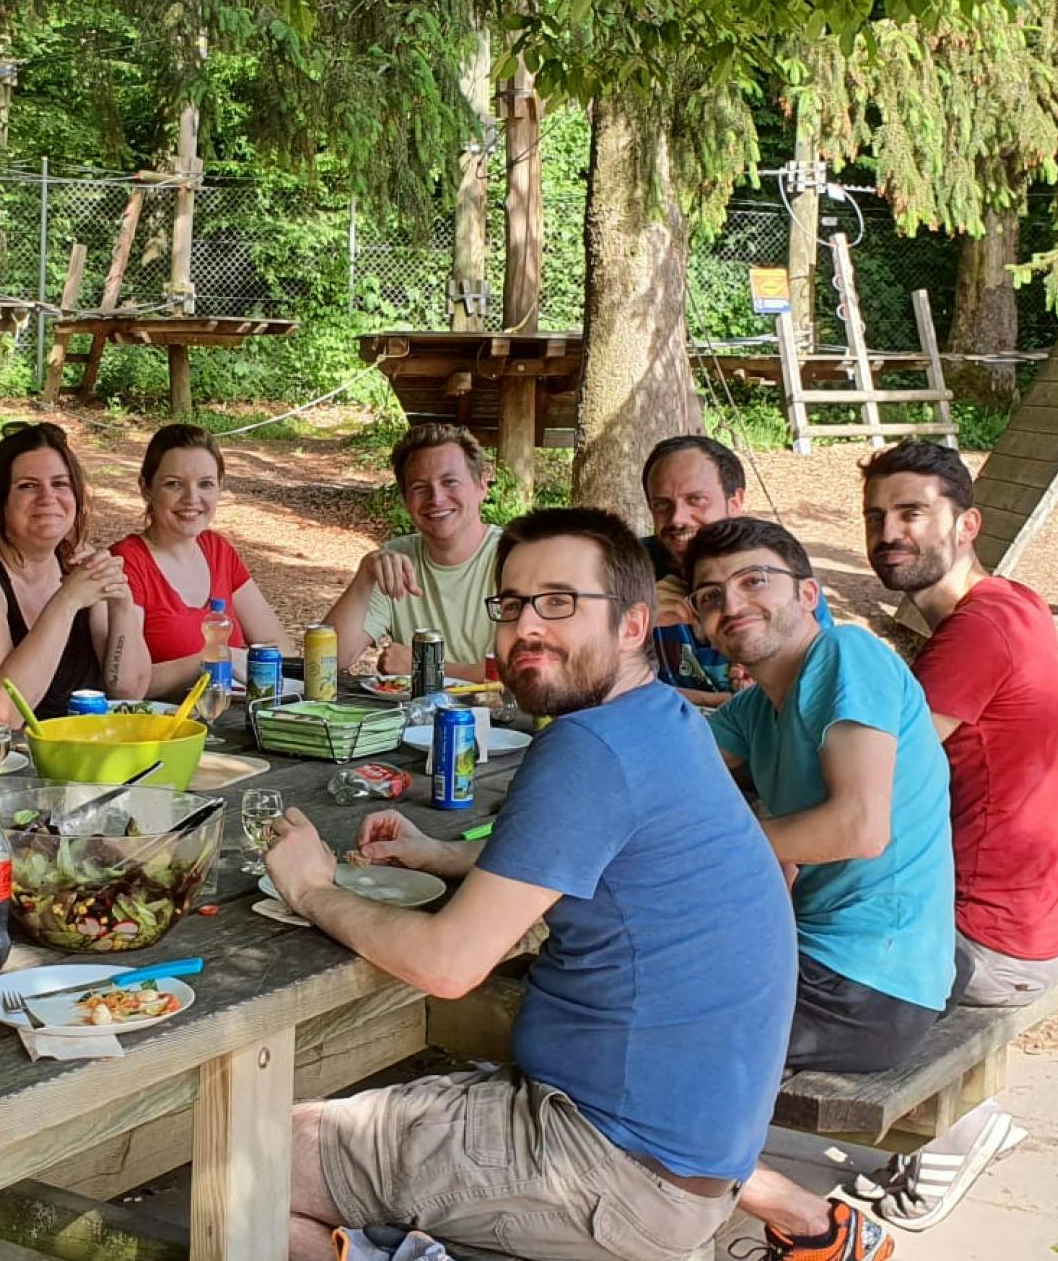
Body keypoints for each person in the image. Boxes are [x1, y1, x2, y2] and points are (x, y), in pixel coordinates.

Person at [268, 507, 795, 1261]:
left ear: (631, 625)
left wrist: (313, 887)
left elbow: (447, 965)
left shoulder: (587, 746)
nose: (525, 627)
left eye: (558, 602)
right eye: (509, 605)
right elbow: (608, 862)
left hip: (605, 1170)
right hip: (684, 1163)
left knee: (249, 1157)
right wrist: (443, 858)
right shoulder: (659, 718)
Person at [688, 516, 955, 1258]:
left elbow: (856, 827)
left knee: (624, 1052)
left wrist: (720, 848)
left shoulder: (846, 655)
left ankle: (814, 1225)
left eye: (752, 581)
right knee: (605, 1001)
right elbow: (660, 781)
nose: (730, 602)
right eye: (709, 594)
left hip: (866, 982)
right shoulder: (756, 707)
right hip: (831, 961)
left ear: (808, 593)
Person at [855, 443, 1058, 1229]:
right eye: (876, 517)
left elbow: (870, 788)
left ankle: (955, 1126)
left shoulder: (972, 635)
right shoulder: (1011, 601)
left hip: (988, 941)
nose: (889, 532)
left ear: (966, 524)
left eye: (911, 513)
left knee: (753, 939)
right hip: (1039, 919)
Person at [0, 421, 147, 723]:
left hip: (80, 754)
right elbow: (4, 712)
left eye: (60, 484)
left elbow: (128, 690)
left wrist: (121, 604)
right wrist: (67, 601)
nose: (48, 497)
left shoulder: (76, 563)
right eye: (28, 486)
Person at [637, 434, 831, 706]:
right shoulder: (630, 570)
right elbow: (600, 687)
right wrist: (638, 618)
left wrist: (719, 703)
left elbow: (817, 690)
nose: (677, 519)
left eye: (696, 500)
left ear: (735, 501)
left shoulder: (776, 571)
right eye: (662, 505)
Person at [109, 423, 288, 698]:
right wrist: (213, 659)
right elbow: (126, 683)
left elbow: (280, 647)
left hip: (233, 721)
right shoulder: (127, 561)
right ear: (146, 488)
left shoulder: (217, 550)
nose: (192, 498)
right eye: (173, 484)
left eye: (205, 484)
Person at [322, 423, 502, 678]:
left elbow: (536, 674)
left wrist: (426, 667)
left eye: (450, 482)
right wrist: (365, 574)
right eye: (419, 487)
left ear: (482, 486)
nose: (436, 498)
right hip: (417, 717)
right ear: (406, 500)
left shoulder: (516, 558)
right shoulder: (395, 562)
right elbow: (327, 662)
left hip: (504, 717)